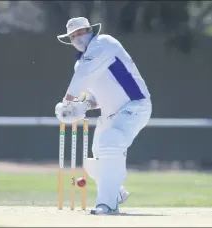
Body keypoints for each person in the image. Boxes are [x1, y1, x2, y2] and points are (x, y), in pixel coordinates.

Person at [54, 17, 152, 215]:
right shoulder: (81, 63)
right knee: (93, 162)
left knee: (110, 142)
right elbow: (94, 97)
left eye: (80, 32)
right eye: (72, 36)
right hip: (109, 114)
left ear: (91, 30)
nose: (77, 38)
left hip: (135, 106)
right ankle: (116, 193)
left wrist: (67, 102)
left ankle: (106, 205)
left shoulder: (104, 43)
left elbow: (83, 75)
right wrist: (82, 106)